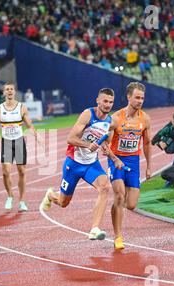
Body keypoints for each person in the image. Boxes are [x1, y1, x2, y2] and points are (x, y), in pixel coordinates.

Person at [41, 88, 123, 240]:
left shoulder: (111, 122)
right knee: (63, 202)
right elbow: (70, 138)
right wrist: (86, 145)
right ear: (97, 101)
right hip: (73, 164)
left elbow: (105, 142)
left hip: (91, 164)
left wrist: (113, 157)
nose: (108, 105)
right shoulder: (88, 115)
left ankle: (94, 229)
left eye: (111, 102)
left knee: (105, 187)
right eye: (105, 101)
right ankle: (51, 195)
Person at [105, 82, 152, 250]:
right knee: (119, 196)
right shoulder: (117, 118)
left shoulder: (145, 118)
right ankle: (118, 236)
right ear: (129, 97)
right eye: (137, 97)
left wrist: (148, 166)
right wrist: (111, 156)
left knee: (131, 204)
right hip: (116, 159)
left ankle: (116, 210)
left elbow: (146, 143)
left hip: (133, 162)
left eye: (142, 98)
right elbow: (105, 141)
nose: (140, 101)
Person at [0, 83, 38, 211]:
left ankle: (22, 201)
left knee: (22, 171)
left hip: (18, 141)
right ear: (4, 93)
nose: (10, 91)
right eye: (7, 89)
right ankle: (10, 196)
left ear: (14, 92)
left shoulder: (22, 108)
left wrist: (37, 136)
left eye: (11, 89)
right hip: (6, 142)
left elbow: (29, 125)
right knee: (6, 172)